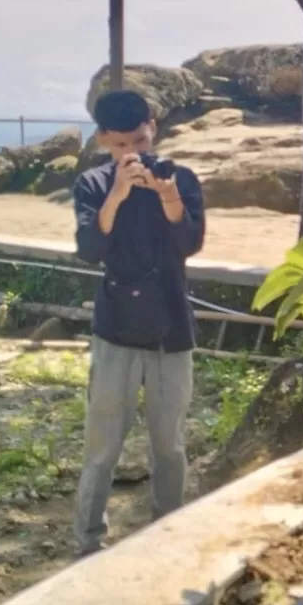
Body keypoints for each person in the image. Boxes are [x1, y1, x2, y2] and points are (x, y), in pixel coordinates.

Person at [72, 90, 206, 558]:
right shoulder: (92, 183)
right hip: (116, 328)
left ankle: (166, 538)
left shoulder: (180, 177)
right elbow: (90, 249)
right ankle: (88, 544)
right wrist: (118, 193)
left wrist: (169, 198)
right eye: (124, 144)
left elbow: (190, 243)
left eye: (142, 139)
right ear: (103, 138)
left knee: (169, 444)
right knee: (103, 445)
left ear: (153, 126)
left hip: (172, 326)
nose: (135, 152)